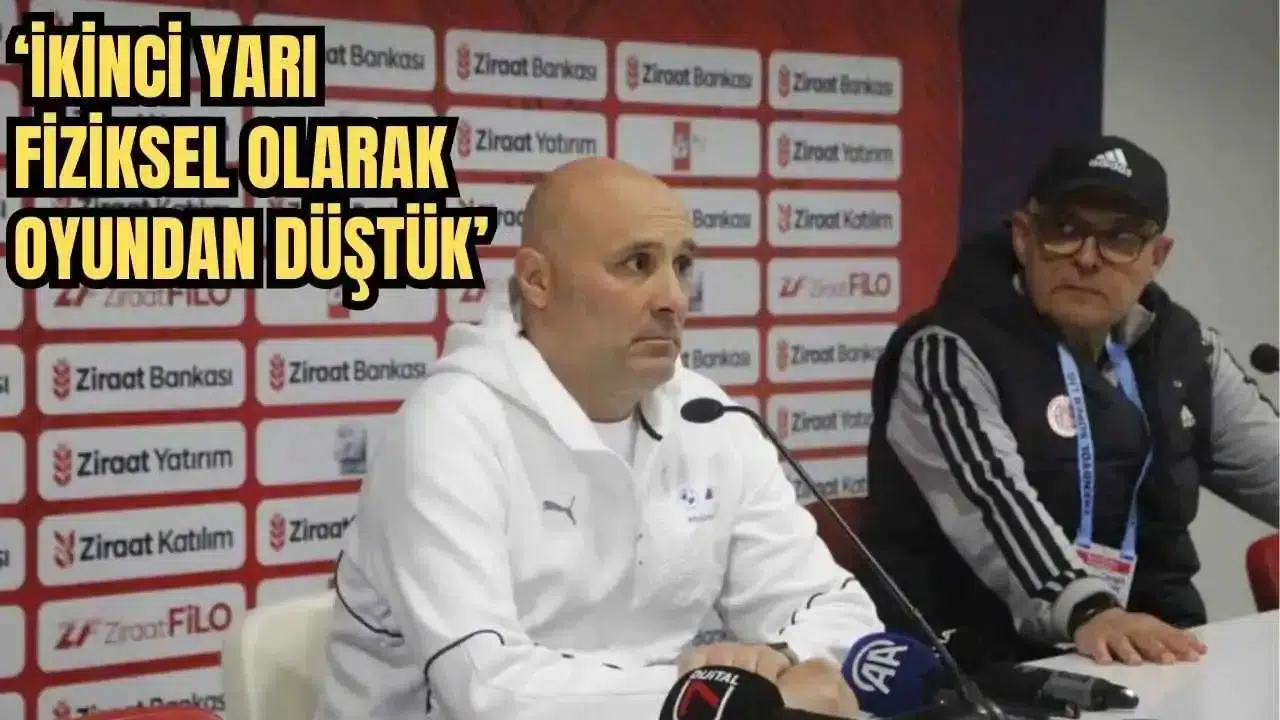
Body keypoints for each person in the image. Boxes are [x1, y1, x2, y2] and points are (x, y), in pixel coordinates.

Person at [312, 157, 881, 720]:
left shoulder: (709, 417)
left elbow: (841, 613)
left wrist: (782, 664)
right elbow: (486, 690)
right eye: (637, 264)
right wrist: (712, 700)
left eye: (682, 265)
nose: (674, 298)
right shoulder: (449, 428)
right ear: (538, 281)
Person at [856, 136, 1279, 670]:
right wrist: (1090, 609)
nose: (1086, 258)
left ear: (1157, 257)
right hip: (977, 664)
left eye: (1120, 238)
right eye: (1065, 230)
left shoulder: (1183, 350)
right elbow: (991, 501)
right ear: (1023, 236)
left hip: (1152, 652)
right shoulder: (948, 349)